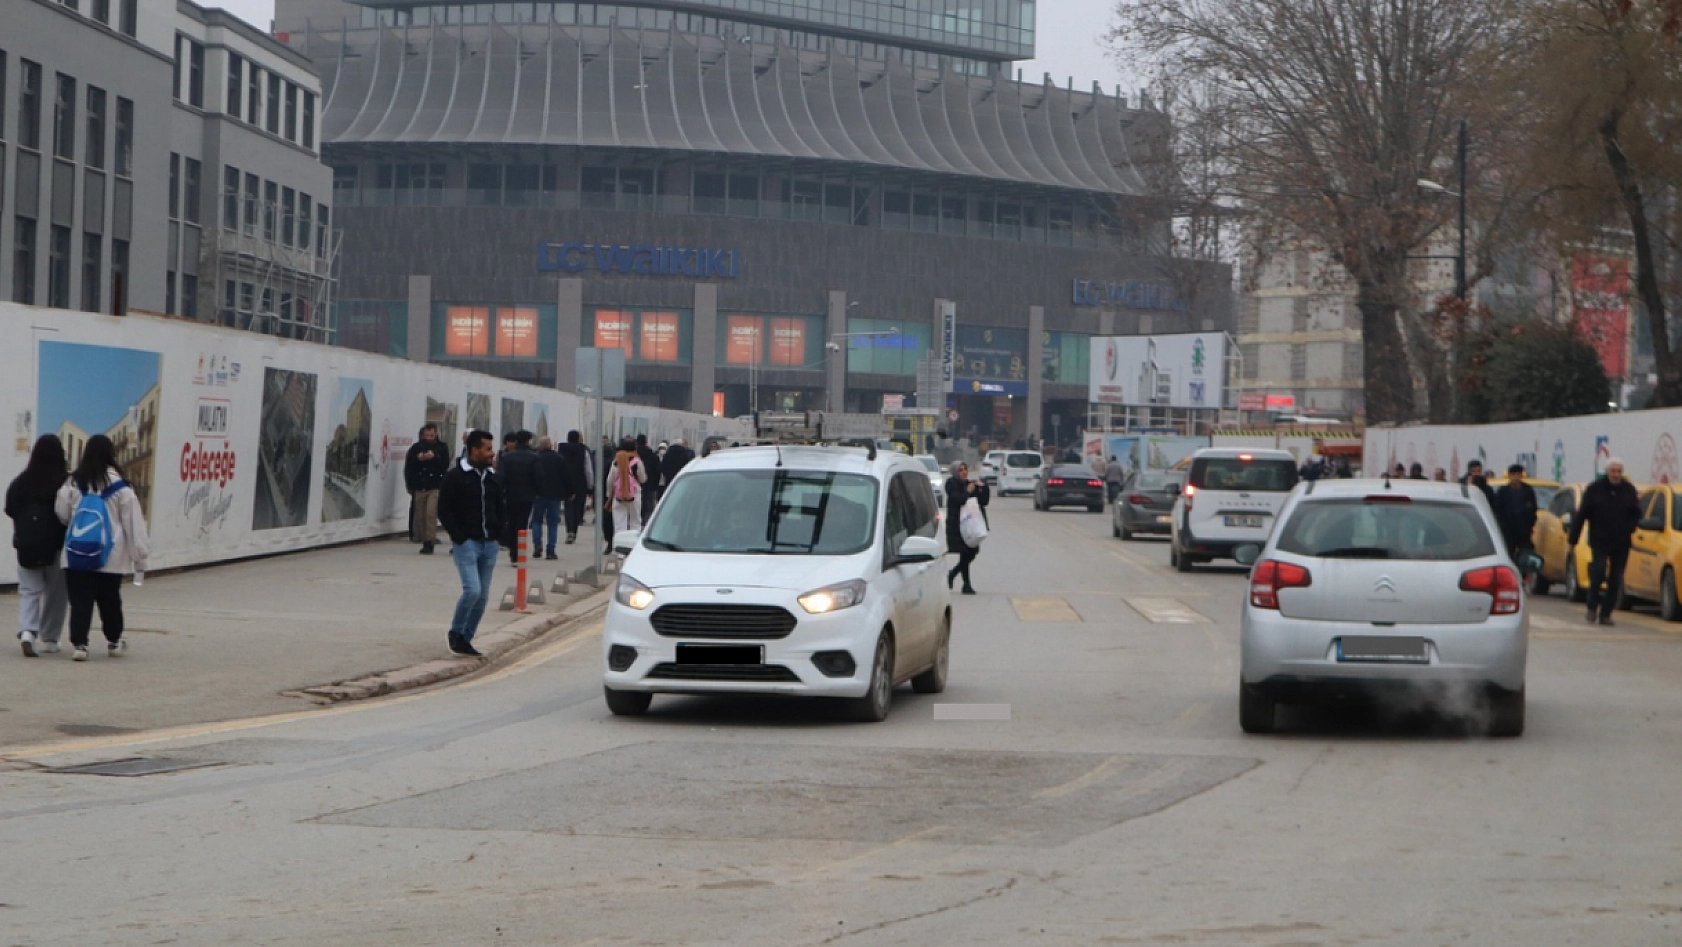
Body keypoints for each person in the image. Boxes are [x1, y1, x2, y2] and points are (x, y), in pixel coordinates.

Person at [54, 434, 149, 662]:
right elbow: (134, 526)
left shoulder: (73, 483)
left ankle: (80, 644)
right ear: (111, 454)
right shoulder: (122, 488)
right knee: (110, 600)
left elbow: (62, 514)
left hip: (77, 553)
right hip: (110, 557)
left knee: (80, 601)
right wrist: (140, 558)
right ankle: (114, 641)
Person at [438, 430, 505, 657]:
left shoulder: (492, 477)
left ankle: (466, 638)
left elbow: (499, 507)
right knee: (472, 590)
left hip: (489, 544)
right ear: (474, 450)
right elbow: (444, 510)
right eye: (487, 449)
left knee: (483, 595)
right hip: (467, 544)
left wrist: (498, 535)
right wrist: (459, 537)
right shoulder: (455, 477)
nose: (492, 453)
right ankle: (455, 632)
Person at [6, 435, 70, 656]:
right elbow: (69, 512)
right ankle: (50, 639)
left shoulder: (20, 482)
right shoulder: (64, 482)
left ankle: (27, 632)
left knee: (29, 591)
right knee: (56, 593)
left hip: (27, 546)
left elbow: (9, 508)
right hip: (57, 546)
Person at [1568, 457, 1642, 626]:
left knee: (1616, 579)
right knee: (1598, 572)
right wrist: (1573, 540)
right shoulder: (1595, 489)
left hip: (1621, 542)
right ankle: (1592, 607)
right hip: (1600, 540)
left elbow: (1636, 513)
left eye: (1619, 471)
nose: (1616, 474)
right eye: (1613, 471)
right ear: (1607, 471)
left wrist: (1630, 527)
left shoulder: (1628, 490)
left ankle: (1606, 614)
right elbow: (1582, 515)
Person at [944, 460, 990, 595]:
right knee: (965, 553)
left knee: (971, 553)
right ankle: (966, 584)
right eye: (960, 470)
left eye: (965, 469)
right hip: (957, 525)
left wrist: (983, 487)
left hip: (971, 525)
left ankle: (953, 574)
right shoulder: (951, 484)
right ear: (955, 472)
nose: (964, 472)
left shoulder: (969, 484)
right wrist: (968, 492)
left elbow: (983, 501)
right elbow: (958, 500)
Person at [404, 424, 449, 555]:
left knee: (430, 513)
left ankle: (430, 541)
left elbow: (445, 463)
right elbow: (409, 466)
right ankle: (424, 539)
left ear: (436, 434)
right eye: (427, 435)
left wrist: (434, 457)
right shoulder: (416, 448)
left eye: (432, 435)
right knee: (421, 515)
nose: (429, 438)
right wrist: (418, 459)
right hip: (420, 486)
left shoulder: (441, 447)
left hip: (435, 485)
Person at [497, 430, 540, 565]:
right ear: (528, 441)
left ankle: (513, 554)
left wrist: (501, 493)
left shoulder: (507, 458)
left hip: (510, 495)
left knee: (511, 523)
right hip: (527, 497)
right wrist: (536, 492)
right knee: (522, 525)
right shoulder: (534, 458)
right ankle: (519, 554)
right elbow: (538, 477)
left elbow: (500, 477)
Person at [608, 437, 648, 548]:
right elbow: (643, 478)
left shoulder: (616, 461)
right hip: (634, 494)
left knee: (620, 524)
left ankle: (619, 550)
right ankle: (634, 548)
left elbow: (610, 480)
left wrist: (609, 493)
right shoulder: (637, 461)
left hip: (619, 496)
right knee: (635, 522)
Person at [1493, 464, 1539, 560]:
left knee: (1526, 555)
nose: (1516, 477)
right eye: (1513, 475)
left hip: (1524, 530)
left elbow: (1533, 509)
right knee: (1508, 554)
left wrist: (1530, 524)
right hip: (1508, 531)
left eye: (1518, 475)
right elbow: (1498, 510)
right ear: (1509, 476)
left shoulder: (1528, 490)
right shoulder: (1503, 491)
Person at [530, 437, 566, 560]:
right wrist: (568, 491)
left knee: (536, 521)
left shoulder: (535, 458)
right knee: (552, 523)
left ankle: (537, 545)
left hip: (538, 494)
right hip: (555, 495)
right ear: (550, 445)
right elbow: (564, 477)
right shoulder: (559, 458)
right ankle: (550, 550)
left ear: (540, 446)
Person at [557, 430, 593, 545]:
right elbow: (588, 470)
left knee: (568, 507)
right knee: (578, 507)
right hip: (580, 482)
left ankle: (569, 531)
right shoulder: (584, 451)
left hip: (565, 481)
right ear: (578, 439)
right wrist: (590, 486)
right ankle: (574, 530)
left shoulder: (561, 449)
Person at [635, 434, 662, 522]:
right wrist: (655, 484)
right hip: (650, 485)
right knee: (649, 507)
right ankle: (647, 522)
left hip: (635, 485)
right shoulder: (653, 455)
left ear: (637, 443)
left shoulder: (634, 455)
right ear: (646, 442)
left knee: (637, 506)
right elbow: (658, 470)